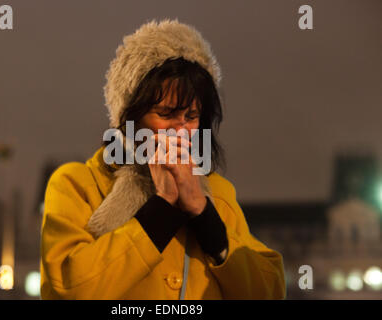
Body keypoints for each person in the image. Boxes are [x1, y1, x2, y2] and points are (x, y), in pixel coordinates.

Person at [40, 19, 286, 299]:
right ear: (130, 117)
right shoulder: (77, 185)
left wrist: (205, 216)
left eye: (191, 117)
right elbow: (69, 289)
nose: (181, 130)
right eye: (166, 114)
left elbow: (270, 292)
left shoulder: (218, 193)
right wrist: (161, 209)